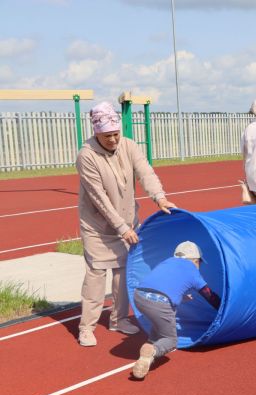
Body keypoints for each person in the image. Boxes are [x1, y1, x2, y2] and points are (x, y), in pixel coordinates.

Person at [76, 101, 176, 347]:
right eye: (107, 135)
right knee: (96, 273)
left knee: (123, 272)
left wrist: (159, 197)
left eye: (116, 134)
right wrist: (122, 228)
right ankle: (86, 327)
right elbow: (99, 198)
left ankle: (118, 319)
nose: (113, 140)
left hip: (127, 219)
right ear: (97, 133)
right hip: (98, 226)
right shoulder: (86, 156)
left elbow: (146, 172)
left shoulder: (129, 146)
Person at [131, 241, 221, 379]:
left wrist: (180, 297)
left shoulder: (168, 261)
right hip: (159, 302)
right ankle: (152, 350)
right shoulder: (193, 272)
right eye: (200, 263)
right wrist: (223, 308)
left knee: (160, 325)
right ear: (195, 260)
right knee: (171, 339)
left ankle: (147, 353)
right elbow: (209, 295)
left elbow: (163, 283)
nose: (199, 266)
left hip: (139, 295)